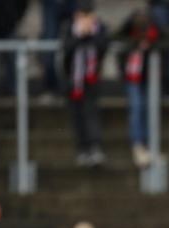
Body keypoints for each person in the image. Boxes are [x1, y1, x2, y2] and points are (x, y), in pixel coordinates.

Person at [116, 6, 169, 168]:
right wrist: (134, 41)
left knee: (150, 108)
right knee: (137, 107)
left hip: (151, 78)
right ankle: (138, 145)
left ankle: (150, 144)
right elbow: (115, 37)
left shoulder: (156, 33)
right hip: (133, 78)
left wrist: (153, 44)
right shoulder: (128, 34)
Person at [62, 0, 108, 167]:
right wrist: (79, 36)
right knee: (77, 115)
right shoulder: (69, 28)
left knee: (91, 112)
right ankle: (82, 149)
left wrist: (89, 35)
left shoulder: (100, 28)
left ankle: (94, 147)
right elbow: (66, 49)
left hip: (92, 80)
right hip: (73, 80)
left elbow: (102, 47)